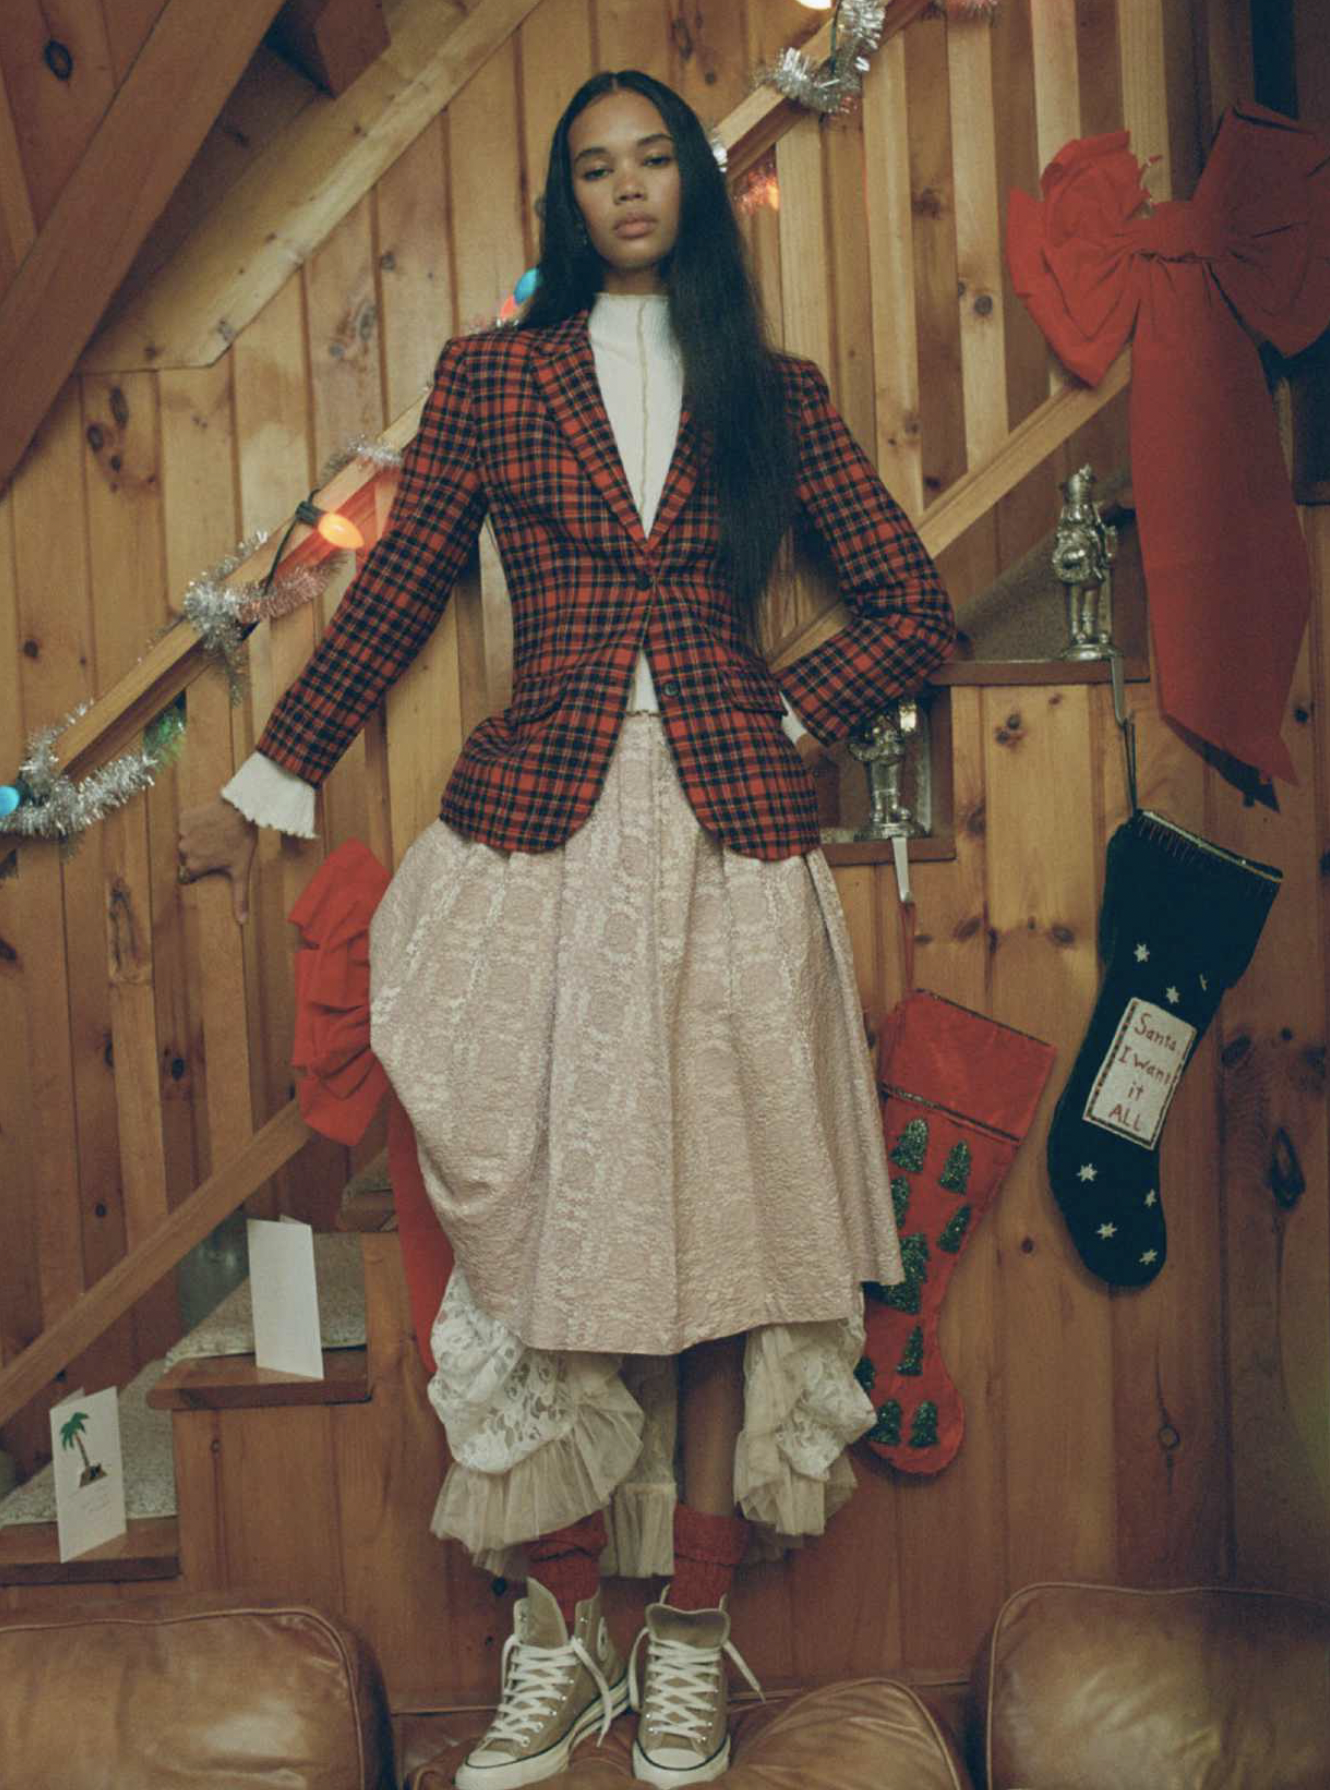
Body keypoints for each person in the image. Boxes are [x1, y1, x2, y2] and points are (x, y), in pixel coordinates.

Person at [179, 68, 954, 1790]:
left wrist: (789, 709)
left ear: (691, 183)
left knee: (727, 1244)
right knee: (542, 1241)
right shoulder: (495, 377)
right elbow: (400, 584)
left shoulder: (773, 391)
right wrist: (282, 759)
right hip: (543, 828)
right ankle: (557, 1631)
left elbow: (910, 603)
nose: (627, 189)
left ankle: (686, 1634)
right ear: (565, 197)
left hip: (731, 846)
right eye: (594, 168)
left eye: (652, 159)